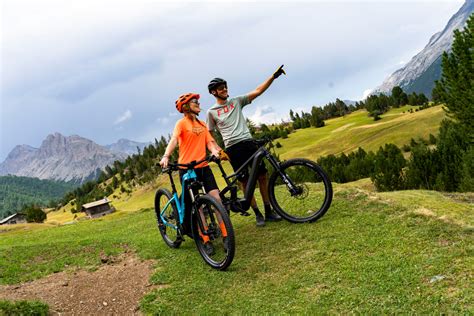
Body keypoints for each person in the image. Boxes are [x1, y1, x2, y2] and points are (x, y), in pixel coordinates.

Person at [206, 65, 286, 227]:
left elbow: (257, 91)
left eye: (225, 87)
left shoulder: (236, 101)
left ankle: (268, 210)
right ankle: (257, 214)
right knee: (245, 181)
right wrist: (217, 150)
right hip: (233, 148)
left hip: (248, 143)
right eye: (221, 88)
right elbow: (209, 134)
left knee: (262, 176)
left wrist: (273, 76)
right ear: (214, 92)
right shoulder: (211, 112)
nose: (225, 89)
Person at [160, 93, 223, 250]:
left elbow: (209, 142)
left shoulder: (202, 124)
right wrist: (166, 156)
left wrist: (215, 151)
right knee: (198, 205)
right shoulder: (181, 124)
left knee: (217, 199)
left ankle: (225, 234)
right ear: (186, 106)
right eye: (195, 102)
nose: (198, 103)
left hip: (203, 167)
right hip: (187, 169)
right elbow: (174, 140)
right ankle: (205, 238)